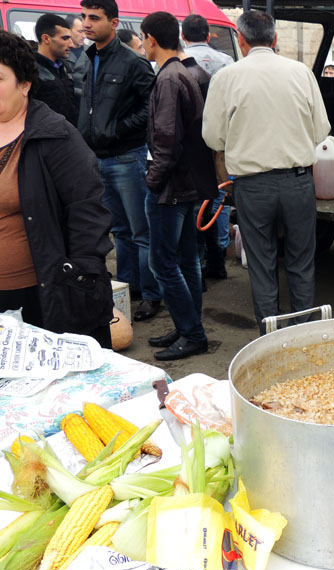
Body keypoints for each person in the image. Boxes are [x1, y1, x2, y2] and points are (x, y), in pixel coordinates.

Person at [203, 11, 330, 334]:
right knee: (301, 263)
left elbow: (213, 138)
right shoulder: (301, 73)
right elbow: (320, 131)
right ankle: (302, 334)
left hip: (252, 186)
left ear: (241, 39)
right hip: (298, 182)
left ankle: (271, 340)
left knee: (262, 266)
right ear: (274, 39)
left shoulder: (226, 77)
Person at [0, 31, 114, 347]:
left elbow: (88, 212)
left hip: (41, 295)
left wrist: (76, 279)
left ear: (24, 84)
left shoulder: (55, 136)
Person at [140, 12, 218, 360]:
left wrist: (152, 181)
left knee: (163, 264)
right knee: (187, 262)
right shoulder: (182, 72)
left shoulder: (171, 77)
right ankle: (187, 325)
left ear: (151, 39)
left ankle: (192, 333)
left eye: (143, 38)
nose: (142, 44)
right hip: (186, 186)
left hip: (171, 188)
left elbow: (167, 141)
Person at [78, 0, 162, 322]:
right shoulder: (89, 58)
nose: (86, 23)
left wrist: (118, 130)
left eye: (94, 17)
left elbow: (151, 106)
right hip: (98, 158)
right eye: (84, 16)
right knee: (120, 231)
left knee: (141, 231)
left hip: (126, 157)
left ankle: (151, 295)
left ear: (114, 23)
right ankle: (128, 289)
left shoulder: (132, 61)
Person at [181, 13, 232, 279]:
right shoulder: (226, 61)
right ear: (209, 35)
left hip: (192, 142)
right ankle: (219, 256)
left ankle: (198, 262)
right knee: (221, 196)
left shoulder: (178, 62)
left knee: (196, 202)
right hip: (222, 141)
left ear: (183, 36)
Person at [33, 14, 77, 125]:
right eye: (65, 38)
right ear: (46, 39)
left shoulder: (65, 68)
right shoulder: (31, 71)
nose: (71, 45)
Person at [64, 14, 89, 98]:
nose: (84, 36)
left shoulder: (92, 52)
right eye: (80, 31)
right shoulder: (59, 52)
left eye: (85, 31)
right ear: (68, 30)